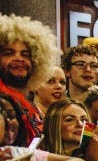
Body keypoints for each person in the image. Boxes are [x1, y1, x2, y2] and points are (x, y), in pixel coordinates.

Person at [0, 13, 60, 141]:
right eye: (9, 53)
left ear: (37, 61)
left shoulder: (26, 103)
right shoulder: (2, 103)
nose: (18, 58)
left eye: (25, 54)